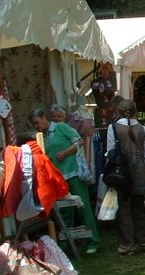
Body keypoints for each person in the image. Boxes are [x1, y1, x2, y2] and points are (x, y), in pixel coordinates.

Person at [29, 107, 101, 255]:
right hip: (58, 178)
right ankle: (68, 243)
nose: (37, 126)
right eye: (34, 124)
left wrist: (66, 152)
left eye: (37, 122)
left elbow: (79, 142)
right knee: (65, 211)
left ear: (44, 118)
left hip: (73, 173)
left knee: (83, 207)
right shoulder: (41, 137)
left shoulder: (61, 127)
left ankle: (93, 241)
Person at [106, 99, 145, 255]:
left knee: (123, 207)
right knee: (139, 205)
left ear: (118, 111)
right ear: (135, 111)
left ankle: (127, 244)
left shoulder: (112, 128)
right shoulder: (143, 129)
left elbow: (110, 152)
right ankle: (142, 239)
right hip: (139, 171)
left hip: (122, 172)